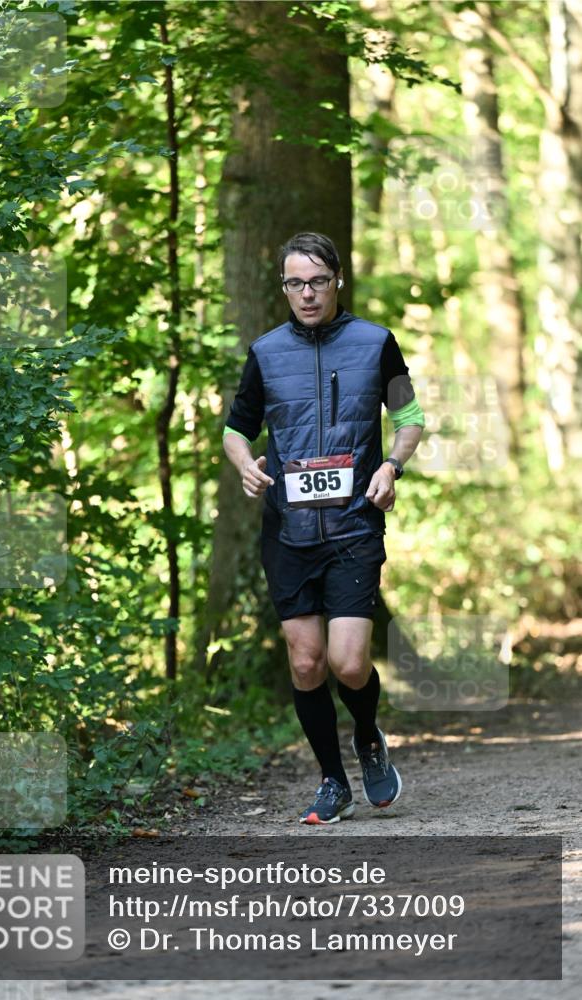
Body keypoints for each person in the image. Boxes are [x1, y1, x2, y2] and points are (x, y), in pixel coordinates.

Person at [222, 232, 425, 825]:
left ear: (337, 281)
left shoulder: (377, 343)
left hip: (353, 528)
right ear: (283, 287)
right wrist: (245, 465)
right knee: (307, 662)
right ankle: (333, 781)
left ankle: (367, 736)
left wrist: (391, 466)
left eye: (316, 281)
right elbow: (236, 430)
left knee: (349, 664)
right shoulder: (265, 352)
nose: (306, 293)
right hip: (288, 532)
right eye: (295, 283)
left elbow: (409, 416)